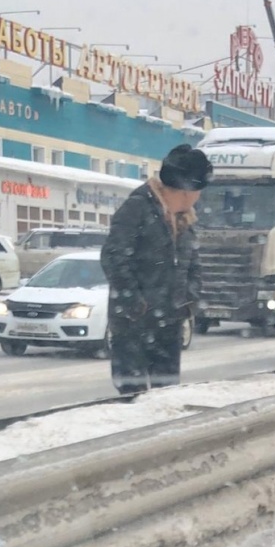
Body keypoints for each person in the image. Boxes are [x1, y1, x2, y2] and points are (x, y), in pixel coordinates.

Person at [100, 144, 213, 394]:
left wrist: (188, 301)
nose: (199, 197)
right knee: (133, 399)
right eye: (198, 190)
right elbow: (113, 256)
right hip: (133, 326)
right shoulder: (137, 208)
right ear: (187, 189)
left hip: (169, 325)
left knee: (166, 397)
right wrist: (134, 303)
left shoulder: (185, 220)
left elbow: (193, 265)